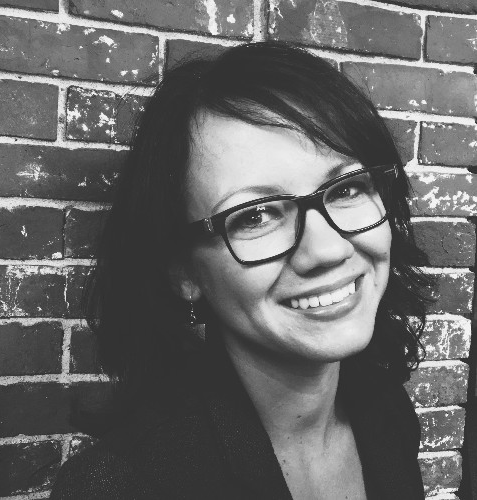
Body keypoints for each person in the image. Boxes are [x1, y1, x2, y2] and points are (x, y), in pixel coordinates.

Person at [50, 41, 432, 499]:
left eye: (347, 188)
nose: (326, 249)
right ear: (183, 272)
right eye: (254, 215)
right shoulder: (122, 487)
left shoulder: (385, 411)